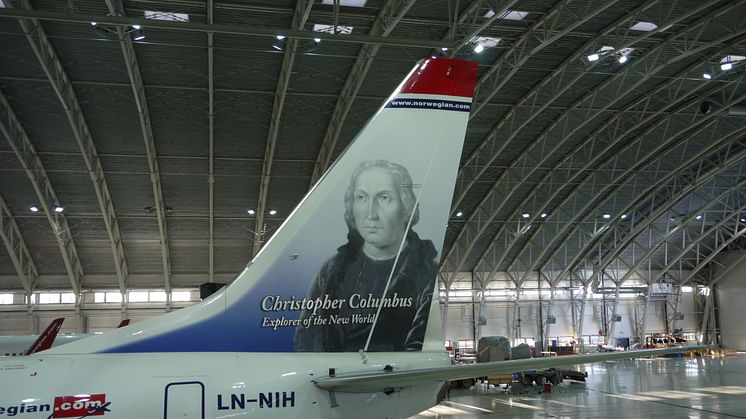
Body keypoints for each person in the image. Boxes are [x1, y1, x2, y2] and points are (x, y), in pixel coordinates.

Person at [294, 160, 438, 352]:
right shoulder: (331, 271)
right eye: (361, 197)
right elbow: (305, 339)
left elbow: (418, 346)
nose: (371, 214)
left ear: (406, 208)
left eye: (384, 198)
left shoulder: (426, 273)